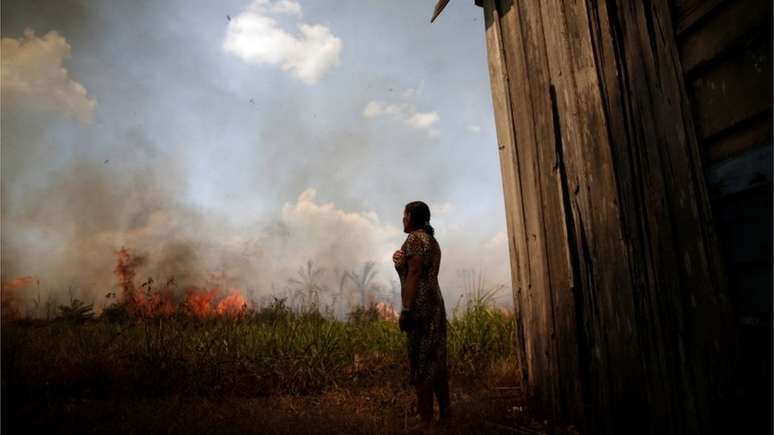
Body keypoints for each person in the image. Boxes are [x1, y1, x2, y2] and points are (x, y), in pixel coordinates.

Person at [393, 201, 450, 430]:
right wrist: (400, 263)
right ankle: (446, 413)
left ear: (412, 217)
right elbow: (418, 269)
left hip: (420, 307)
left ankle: (426, 419)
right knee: (436, 359)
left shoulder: (415, 239)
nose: (403, 220)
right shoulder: (432, 241)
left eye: (405, 215)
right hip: (435, 304)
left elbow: (415, 273)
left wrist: (406, 309)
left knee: (420, 360)